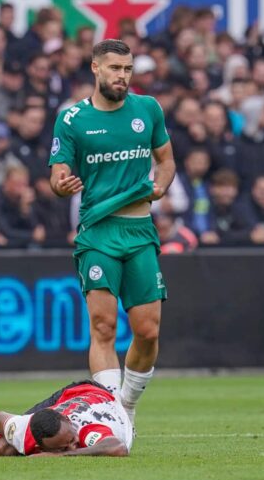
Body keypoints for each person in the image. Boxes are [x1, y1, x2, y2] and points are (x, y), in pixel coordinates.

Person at [49, 39, 175, 425]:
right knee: (103, 326)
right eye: (115, 68)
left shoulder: (147, 109)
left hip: (138, 230)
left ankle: (128, 405)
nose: (122, 76)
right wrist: (63, 185)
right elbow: (57, 175)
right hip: (98, 232)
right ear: (95, 69)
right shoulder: (72, 119)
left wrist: (162, 185)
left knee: (148, 330)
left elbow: (166, 159)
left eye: (127, 69)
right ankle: (110, 416)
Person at [0, 380, 131, 457]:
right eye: (62, 449)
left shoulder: (87, 431)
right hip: (66, 406)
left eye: (71, 442)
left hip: (85, 392)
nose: (73, 447)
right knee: (10, 446)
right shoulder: (25, 428)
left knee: (12, 449)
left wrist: (61, 455)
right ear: (43, 446)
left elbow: (117, 448)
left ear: (70, 425)